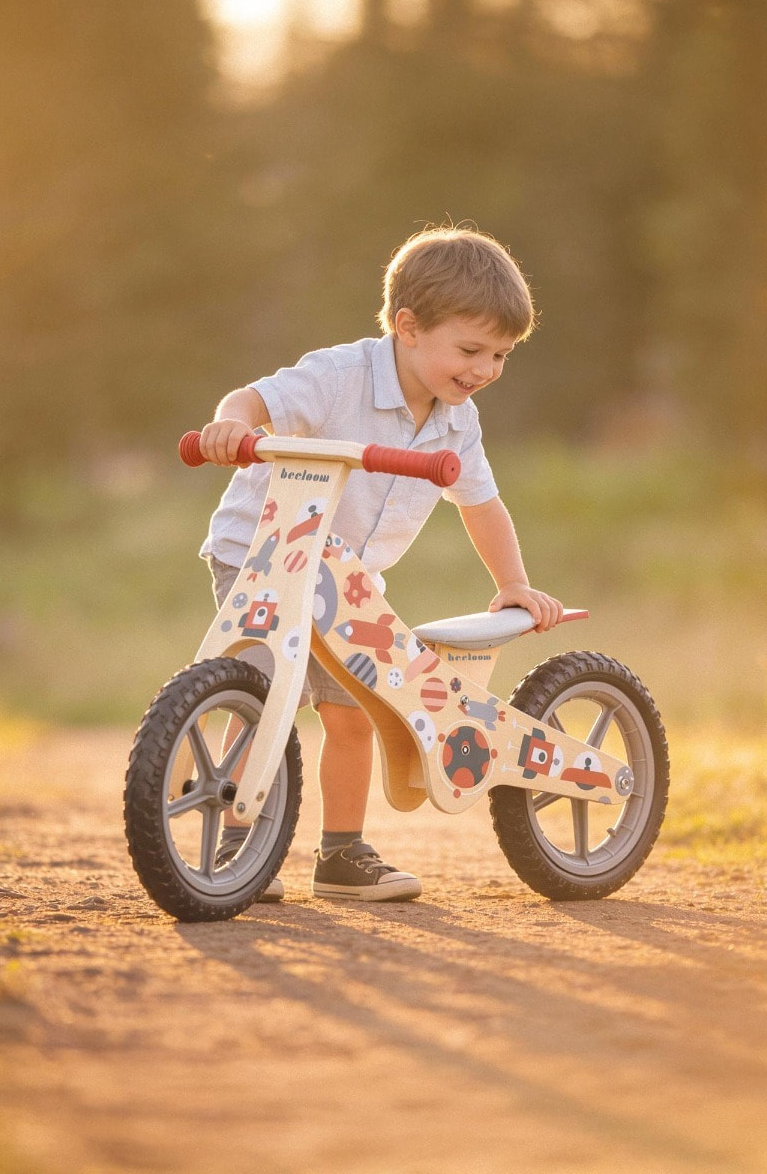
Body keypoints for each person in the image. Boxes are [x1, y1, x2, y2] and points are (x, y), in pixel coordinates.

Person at [197, 225, 563, 903]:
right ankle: (235, 840)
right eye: (471, 349)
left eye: (501, 356)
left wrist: (512, 584)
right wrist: (230, 426)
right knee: (263, 688)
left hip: (348, 581)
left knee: (354, 713)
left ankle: (340, 854)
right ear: (408, 326)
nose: (484, 370)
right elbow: (254, 401)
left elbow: (480, 503)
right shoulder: (338, 377)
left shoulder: (459, 420)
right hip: (265, 553)